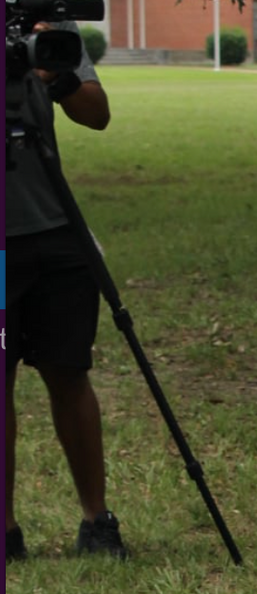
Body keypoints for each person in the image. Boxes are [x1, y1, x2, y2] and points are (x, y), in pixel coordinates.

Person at [6, 20, 127, 561]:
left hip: (55, 231)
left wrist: (54, 75)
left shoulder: (43, 18)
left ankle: (96, 521)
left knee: (69, 373)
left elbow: (96, 114)